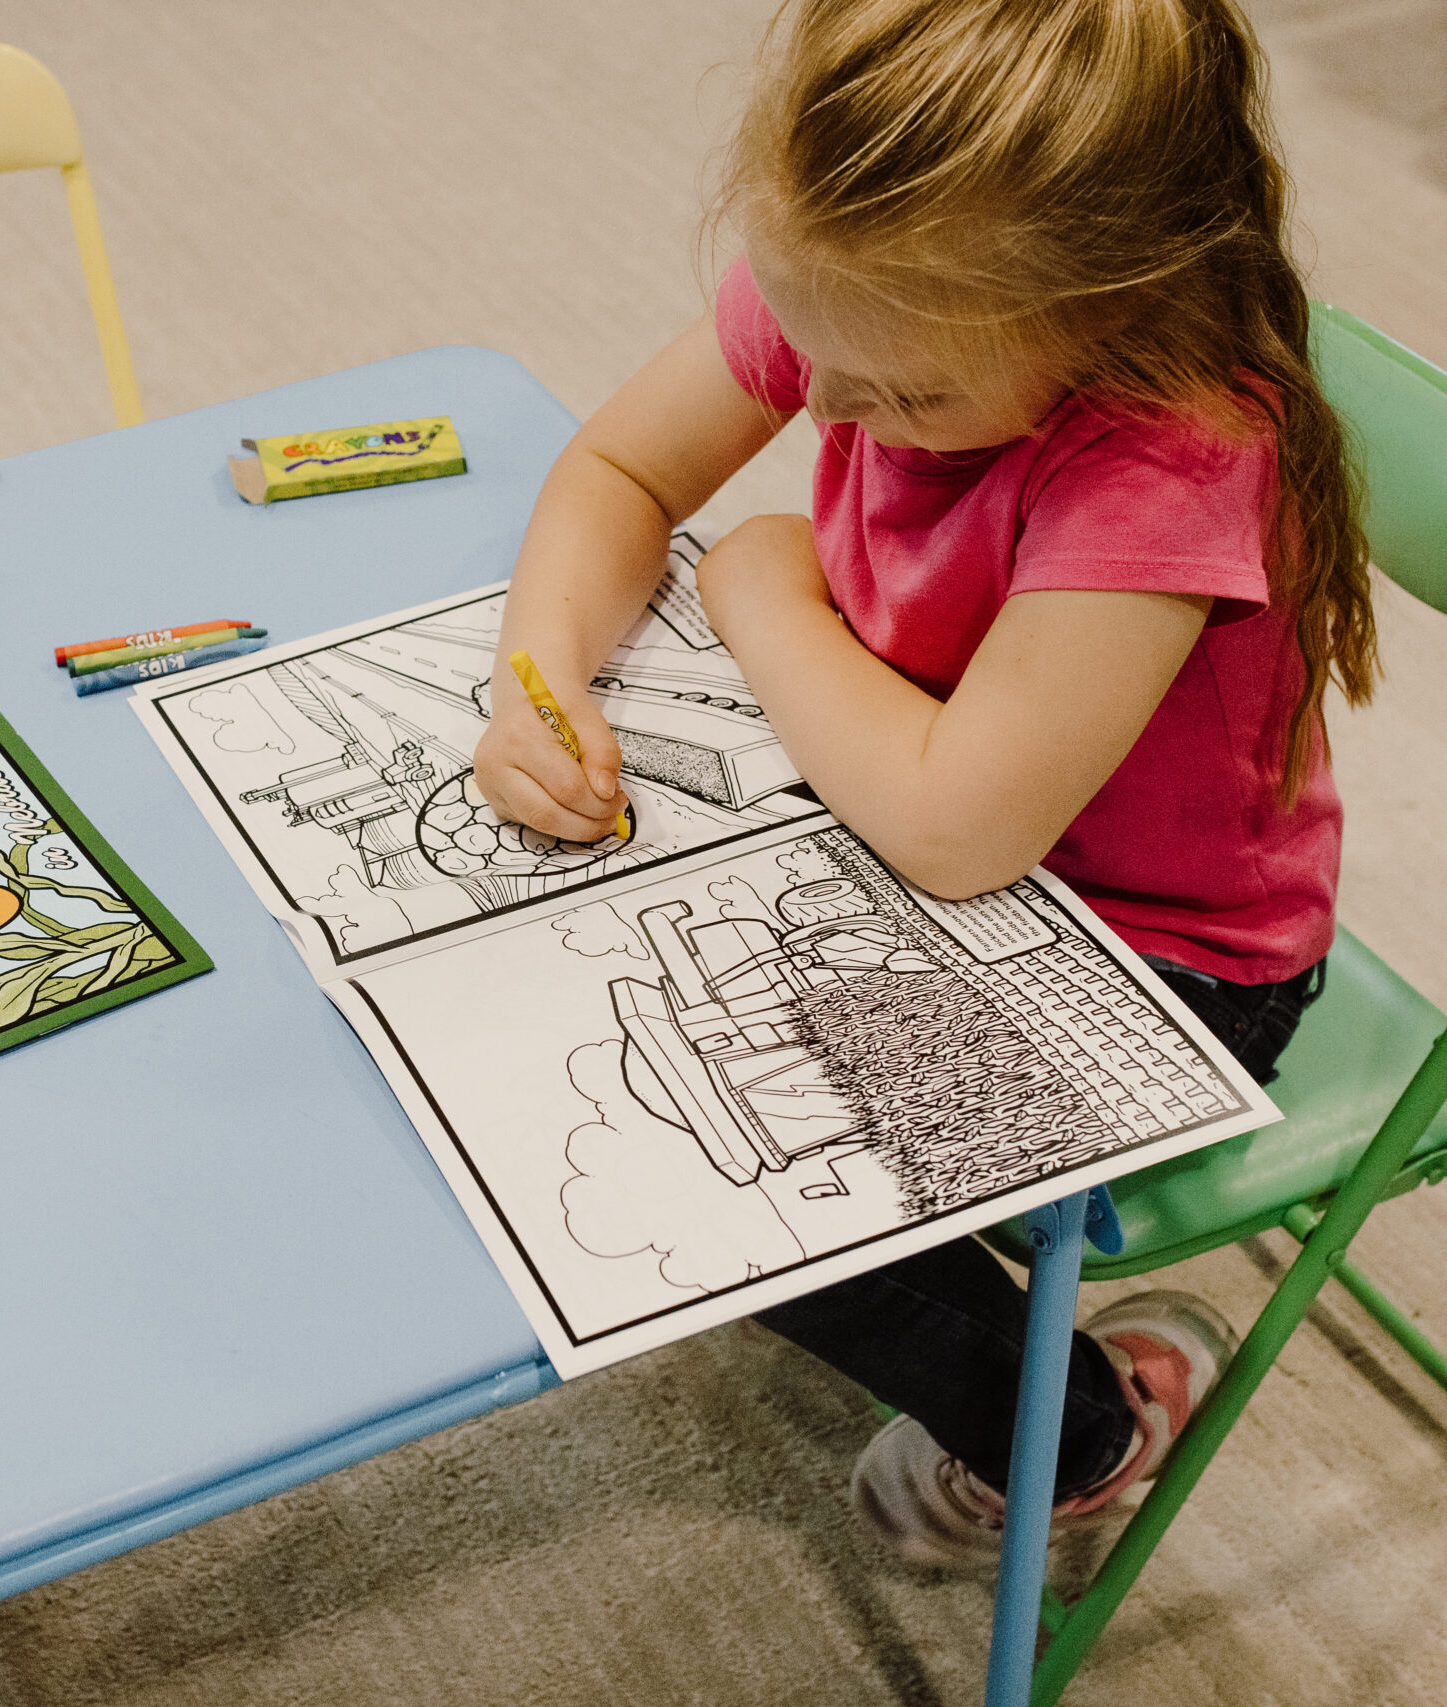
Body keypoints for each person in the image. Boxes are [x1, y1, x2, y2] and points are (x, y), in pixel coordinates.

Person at [475, 0, 1376, 1568]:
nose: (822, 412)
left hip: (1162, 959)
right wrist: (537, 677)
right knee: (575, 1024)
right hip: (913, 809)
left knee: (726, 1193)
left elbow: (962, 831)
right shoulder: (883, 291)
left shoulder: (1168, 447)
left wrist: (766, 588)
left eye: (896, 399)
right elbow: (618, 469)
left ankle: (1089, 1434)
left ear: (1116, 310)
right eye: (811, 357)